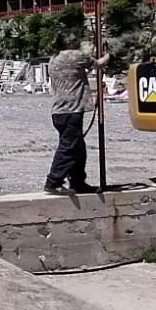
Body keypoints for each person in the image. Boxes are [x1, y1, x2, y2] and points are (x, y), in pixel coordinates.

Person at [45, 35, 110, 195]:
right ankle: (54, 181)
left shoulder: (54, 59)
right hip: (71, 110)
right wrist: (109, 53)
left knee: (78, 148)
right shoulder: (76, 56)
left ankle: (78, 181)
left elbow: (76, 72)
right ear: (70, 43)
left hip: (59, 111)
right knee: (68, 147)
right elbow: (100, 64)